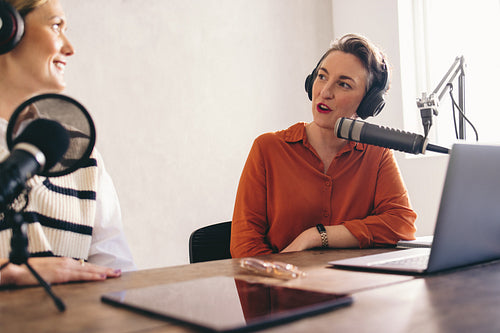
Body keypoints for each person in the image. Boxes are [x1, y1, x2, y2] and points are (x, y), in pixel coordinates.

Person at [230, 33, 417, 258]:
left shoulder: (377, 155)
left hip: (350, 289)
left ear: (368, 104)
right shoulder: (267, 148)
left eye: (344, 84)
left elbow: (402, 225)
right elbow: (244, 247)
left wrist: (316, 236)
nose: (325, 92)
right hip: (283, 288)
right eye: (321, 77)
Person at [0, 0, 135, 286]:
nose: (70, 47)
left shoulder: (83, 154)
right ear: (6, 26)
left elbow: (116, 271)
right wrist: (9, 273)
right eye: (56, 26)